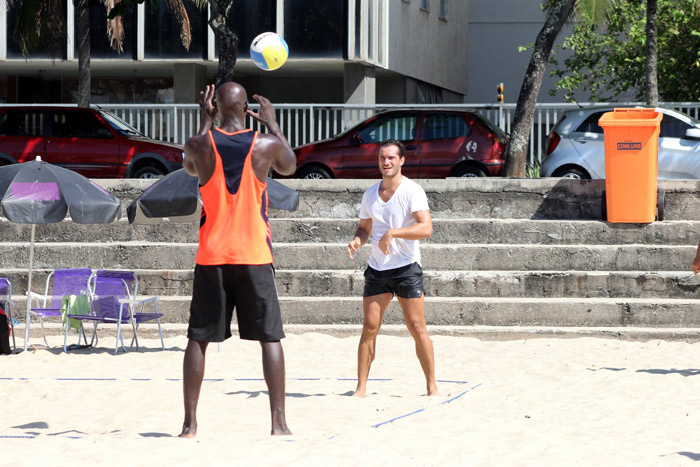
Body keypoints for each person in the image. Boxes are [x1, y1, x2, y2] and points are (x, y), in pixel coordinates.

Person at [179, 82, 296, 437]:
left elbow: (188, 168)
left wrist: (204, 122)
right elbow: (290, 167)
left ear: (214, 105)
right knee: (270, 338)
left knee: (198, 338)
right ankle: (279, 424)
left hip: (213, 254)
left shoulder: (199, 144)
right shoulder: (266, 144)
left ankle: (189, 425)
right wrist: (273, 124)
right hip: (254, 255)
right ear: (247, 108)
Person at [347, 139, 439, 398]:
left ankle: (432, 386)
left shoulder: (413, 190)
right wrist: (357, 240)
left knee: (417, 327)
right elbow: (364, 228)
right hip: (377, 268)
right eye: (382, 158)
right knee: (369, 328)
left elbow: (426, 228)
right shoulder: (370, 194)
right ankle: (361, 387)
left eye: (390, 158)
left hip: (406, 268)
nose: (385, 162)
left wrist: (393, 233)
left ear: (401, 161)